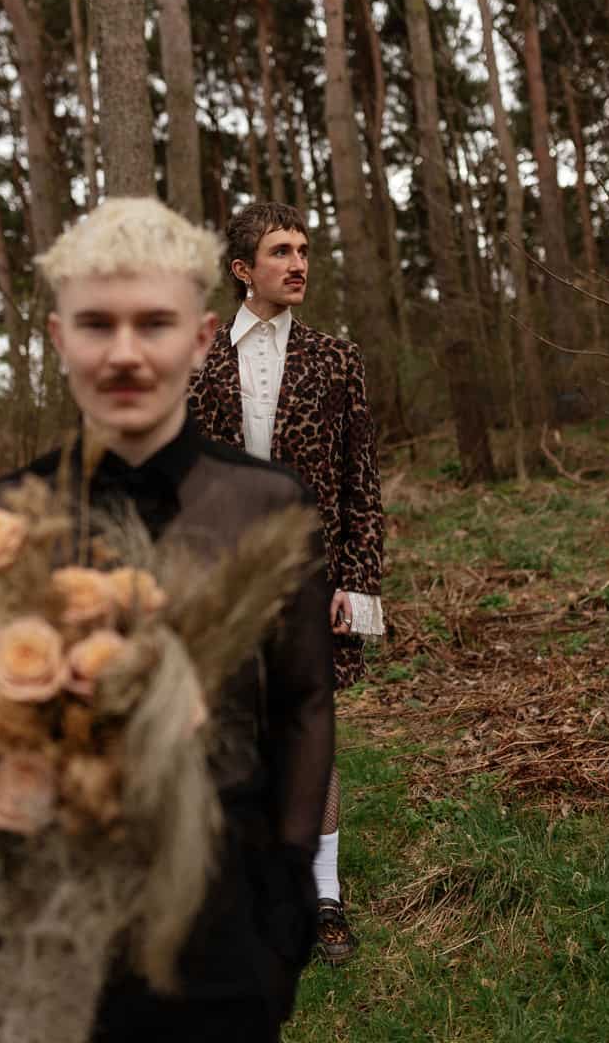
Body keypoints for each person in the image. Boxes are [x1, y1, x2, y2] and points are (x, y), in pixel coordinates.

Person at [0, 198, 335, 1043]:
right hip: (41, 914)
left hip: (221, 915)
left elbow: (303, 699)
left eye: (154, 323)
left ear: (198, 340)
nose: (125, 353)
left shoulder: (268, 506)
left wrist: (288, 888)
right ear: (59, 339)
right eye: (97, 325)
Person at [189, 201, 384, 966]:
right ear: (244, 270)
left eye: (304, 249)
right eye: (281, 252)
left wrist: (358, 584)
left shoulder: (338, 359)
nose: (299, 263)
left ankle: (324, 898)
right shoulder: (197, 358)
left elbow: (360, 481)